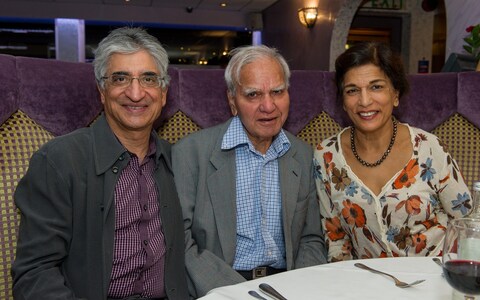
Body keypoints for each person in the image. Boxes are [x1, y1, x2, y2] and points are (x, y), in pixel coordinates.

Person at [11, 27, 188, 299]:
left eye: (149, 79)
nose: (136, 92)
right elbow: (34, 273)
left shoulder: (179, 161)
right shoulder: (59, 161)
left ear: (163, 93)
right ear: (102, 91)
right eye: (120, 78)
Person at [172, 45, 327, 298]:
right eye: (253, 95)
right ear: (232, 101)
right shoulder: (190, 154)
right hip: (220, 287)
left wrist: (299, 288)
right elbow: (180, 242)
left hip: (288, 285)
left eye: (277, 92)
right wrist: (235, 293)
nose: (268, 106)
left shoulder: (303, 154)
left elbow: (311, 238)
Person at [314, 41, 472, 262]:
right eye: (352, 91)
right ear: (342, 101)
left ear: (395, 94)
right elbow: (336, 240)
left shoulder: (428, 147)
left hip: (435, 280)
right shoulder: (326, 156)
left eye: (376, 86)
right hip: (369, 285)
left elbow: (468, 224)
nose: (365, 101)